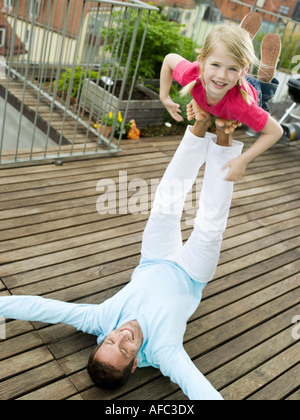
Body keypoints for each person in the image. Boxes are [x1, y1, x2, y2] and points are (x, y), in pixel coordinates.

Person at [0, 114, 243, 400]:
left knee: (165, 204)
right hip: (191, 275)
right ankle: (224, 137)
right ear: (135, 364)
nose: (123, 336)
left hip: (154, 259)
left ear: (103, 339)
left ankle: (201, 123)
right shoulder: (164, 352)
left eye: (112, 341)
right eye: (125, 349)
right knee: (210, 227)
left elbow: (44, 309)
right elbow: (196, 386)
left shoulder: (101, 321)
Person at [160, 13, 283, 182]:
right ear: (202, 61)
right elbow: (168, 60)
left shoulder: (242, 106)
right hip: (232, 82)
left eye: (232, 68)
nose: (221, 75)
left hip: (250, 90)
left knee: (263, 88)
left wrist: (243, 160)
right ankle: (240, 41)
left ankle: (265, 72)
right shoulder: (192, 74)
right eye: (215, 65)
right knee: (228, 62)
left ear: (243, 70)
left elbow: (275, 131)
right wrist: (164, 97)